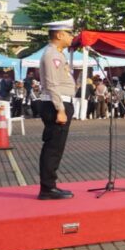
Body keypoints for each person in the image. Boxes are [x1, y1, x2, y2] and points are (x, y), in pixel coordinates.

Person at [37, 19, 77, 200]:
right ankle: (47, 188)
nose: (72, 36)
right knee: (53, 147)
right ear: (59, 34)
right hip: (56, 105)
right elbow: (52, 84)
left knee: (56, 147)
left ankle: (50, 185)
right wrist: (60, 109)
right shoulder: (52, 55)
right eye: (69, 33)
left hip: (59, 103)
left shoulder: (58, 54)